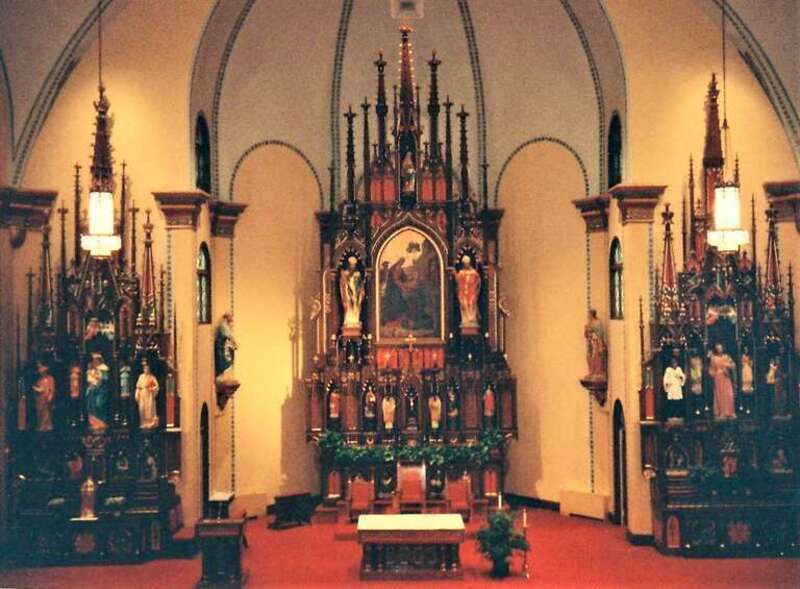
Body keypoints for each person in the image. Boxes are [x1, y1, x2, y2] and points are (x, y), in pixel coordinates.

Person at [709, 343, 736, 419]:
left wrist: (728, 367)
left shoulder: (726, 357)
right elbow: (711, 370)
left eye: (720, 348)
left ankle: (730, 412)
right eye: (718, 348)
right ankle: (721, 412)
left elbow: (733, 364)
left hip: (726, 377)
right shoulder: (713, 358)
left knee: (729, 394)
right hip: (718, 378)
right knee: (720, 394)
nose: (719, 349)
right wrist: (715, 374)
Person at [455, 254, 481, 334]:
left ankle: (472, 319)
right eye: (464, 263)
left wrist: (476, 291)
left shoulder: (474, 273)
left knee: (471, 304)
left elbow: (478, 282)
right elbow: (458, 281)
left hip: (471, 292)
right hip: (463, 292)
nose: (465, 265)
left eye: (467, 263)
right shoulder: (461, 272)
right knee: (464, 304)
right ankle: (465, 320)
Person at [339, 256, 365, 335]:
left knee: (356, 305)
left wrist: (360, 290)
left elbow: (360, 285)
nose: (353, 266)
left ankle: (355, 320)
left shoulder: (357, 274)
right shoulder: (345, 273)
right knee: (348, 305)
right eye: (351, 264)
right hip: (348, 292)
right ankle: (349, 321)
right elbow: (343, 284)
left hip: (355, 293)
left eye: (354, 265)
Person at [86, 353, 110, 429]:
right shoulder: (92, 369)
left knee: (99, 404)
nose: (95, 362)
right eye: (94, 360)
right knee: (91, 404)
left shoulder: (103, 368)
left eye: (96, 360)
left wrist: (98, 383)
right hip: (92, 390)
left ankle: (102, 422)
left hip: (101, 390)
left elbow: (104, 379)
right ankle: (94, 423)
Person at [135, 358, 160, 429]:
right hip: (142, 395)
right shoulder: (141, 377)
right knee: (142, 409)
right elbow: (138, 387)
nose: (146, 370)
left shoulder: (152, 377)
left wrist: (152, 389)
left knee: (150, 409)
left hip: (149, 395)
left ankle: (150, 422)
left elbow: (156, 387)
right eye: (145, 368)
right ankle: (143, 422)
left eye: (147, 368)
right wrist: (137, 394)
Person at [33, 360, 55, 431]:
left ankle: (47, 426)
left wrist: (50, 396)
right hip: (40, 399)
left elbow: (52, 389)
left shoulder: (50, 379)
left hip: (46, 399)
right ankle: (40, 426)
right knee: (40, 413)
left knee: (46, 413)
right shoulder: (39, 380)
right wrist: (36, 390)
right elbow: (36, 389)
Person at [214, 313, 238, 379]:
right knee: (224, 362)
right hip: (220, 347)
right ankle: (220, 374)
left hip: (222, 346)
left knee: (227, 362)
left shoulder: (224, 326)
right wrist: (234, 343)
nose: (232, 324)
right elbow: (229, 336)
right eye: (231, 321)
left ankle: (221, 374)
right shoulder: (223, 326)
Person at [584, 309, 607, 378]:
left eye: (589, 315)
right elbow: (587, 334)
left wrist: (600, 345)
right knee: (589, 357)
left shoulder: (597, 323)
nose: (588, 316)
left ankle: (597, 373)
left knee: (596, 357)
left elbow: (599, 335)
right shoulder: (590, 323)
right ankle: (592, 372)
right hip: (591, 343)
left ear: (592, 315)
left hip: (596, 343)